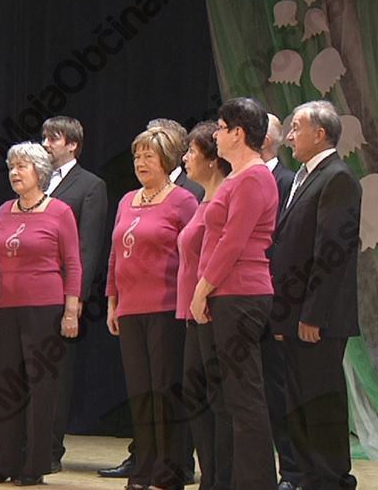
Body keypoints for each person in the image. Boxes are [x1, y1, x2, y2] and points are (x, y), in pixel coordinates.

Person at [0, 142, 82, 486]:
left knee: (41, 388)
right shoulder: (4, 210)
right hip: (7, 307)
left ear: (39, 172)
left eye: (21, 166)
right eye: (11, 167)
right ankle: (4, 464)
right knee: (7, 385)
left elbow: (73, 264)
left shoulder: (60, 211)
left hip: (45, 309)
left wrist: (71, 310)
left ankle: (34, 466)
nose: (14, 172)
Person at [270, 100, 361, 490]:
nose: (290, 136)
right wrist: (283, 315)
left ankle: (333, 479)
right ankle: (309, 477)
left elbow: (331, 253)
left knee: (321, 402)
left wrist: (312, 315)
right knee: (299, 403)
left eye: (296, 128)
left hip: (317, 319)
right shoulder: (304, 177)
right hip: (293, 315)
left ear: (320, 133)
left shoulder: (337, 177)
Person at [189, 97, 278, 489]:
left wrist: (201, 289)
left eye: (222, 129)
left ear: (238, 133)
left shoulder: (254, 177)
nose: (217, 135)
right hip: (223, 294)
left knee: (244, 396)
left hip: (240, 294)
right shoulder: (237, 178)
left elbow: (233, 242)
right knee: (225, 397)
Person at [106, 126, 198, 489]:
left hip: (166, 308)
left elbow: (193, 255)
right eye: (137, 156)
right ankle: (142, 467)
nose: (141, 162)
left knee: (165, 391)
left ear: (168, 160)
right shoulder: (126, 200)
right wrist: (112, 301)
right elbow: (115, 255)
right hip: (129, 309)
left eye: (149, 156)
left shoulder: (183, 200)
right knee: (140, 392)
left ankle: (170, 468)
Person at [41, 116, 108, 474]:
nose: (46, 144)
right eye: (45, 137)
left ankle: (50, 448)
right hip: (29, 290)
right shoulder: (35, 180)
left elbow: (88, 246)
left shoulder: (90, 185)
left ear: (72, 144)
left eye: (54, 138)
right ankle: (27, 444)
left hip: (63, 291)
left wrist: (76, 298)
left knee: (56, 373)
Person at [177, 121, 233, 490]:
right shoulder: (203, 199)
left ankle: (222, 478)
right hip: (192, 312)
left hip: (212, 310)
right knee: (195, 392)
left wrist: (202, 296)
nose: (185, 158)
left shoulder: (224, 197)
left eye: (191, 152)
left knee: (217, 395)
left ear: (212, 160)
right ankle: (211, 475)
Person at [260, 112, 300, 490]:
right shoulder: (236, 179)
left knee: (279, 389)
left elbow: (286, 246)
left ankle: (291, 470)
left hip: (274, 302)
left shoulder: (287, 182)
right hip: (242, 301)